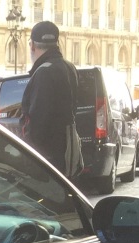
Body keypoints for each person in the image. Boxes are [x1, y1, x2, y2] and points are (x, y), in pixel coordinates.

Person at [19, 21, 81, 177]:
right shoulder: (69, 67)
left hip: (47, 161)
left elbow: (38, 124)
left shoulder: (44, 73)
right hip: (65, 154)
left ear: (32, 45)